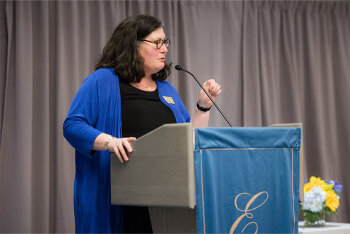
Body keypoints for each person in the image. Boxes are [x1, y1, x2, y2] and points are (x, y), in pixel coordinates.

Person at [63, 15, 221, 233]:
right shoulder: (102, 80)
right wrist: (110, 142)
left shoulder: (167, 90)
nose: (164, 49)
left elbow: (189, 141)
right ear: (132, 45)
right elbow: (72, 125)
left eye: (165, 42)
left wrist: (203, 107)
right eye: (157, 43)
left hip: (165, 200)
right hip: (117, 200)